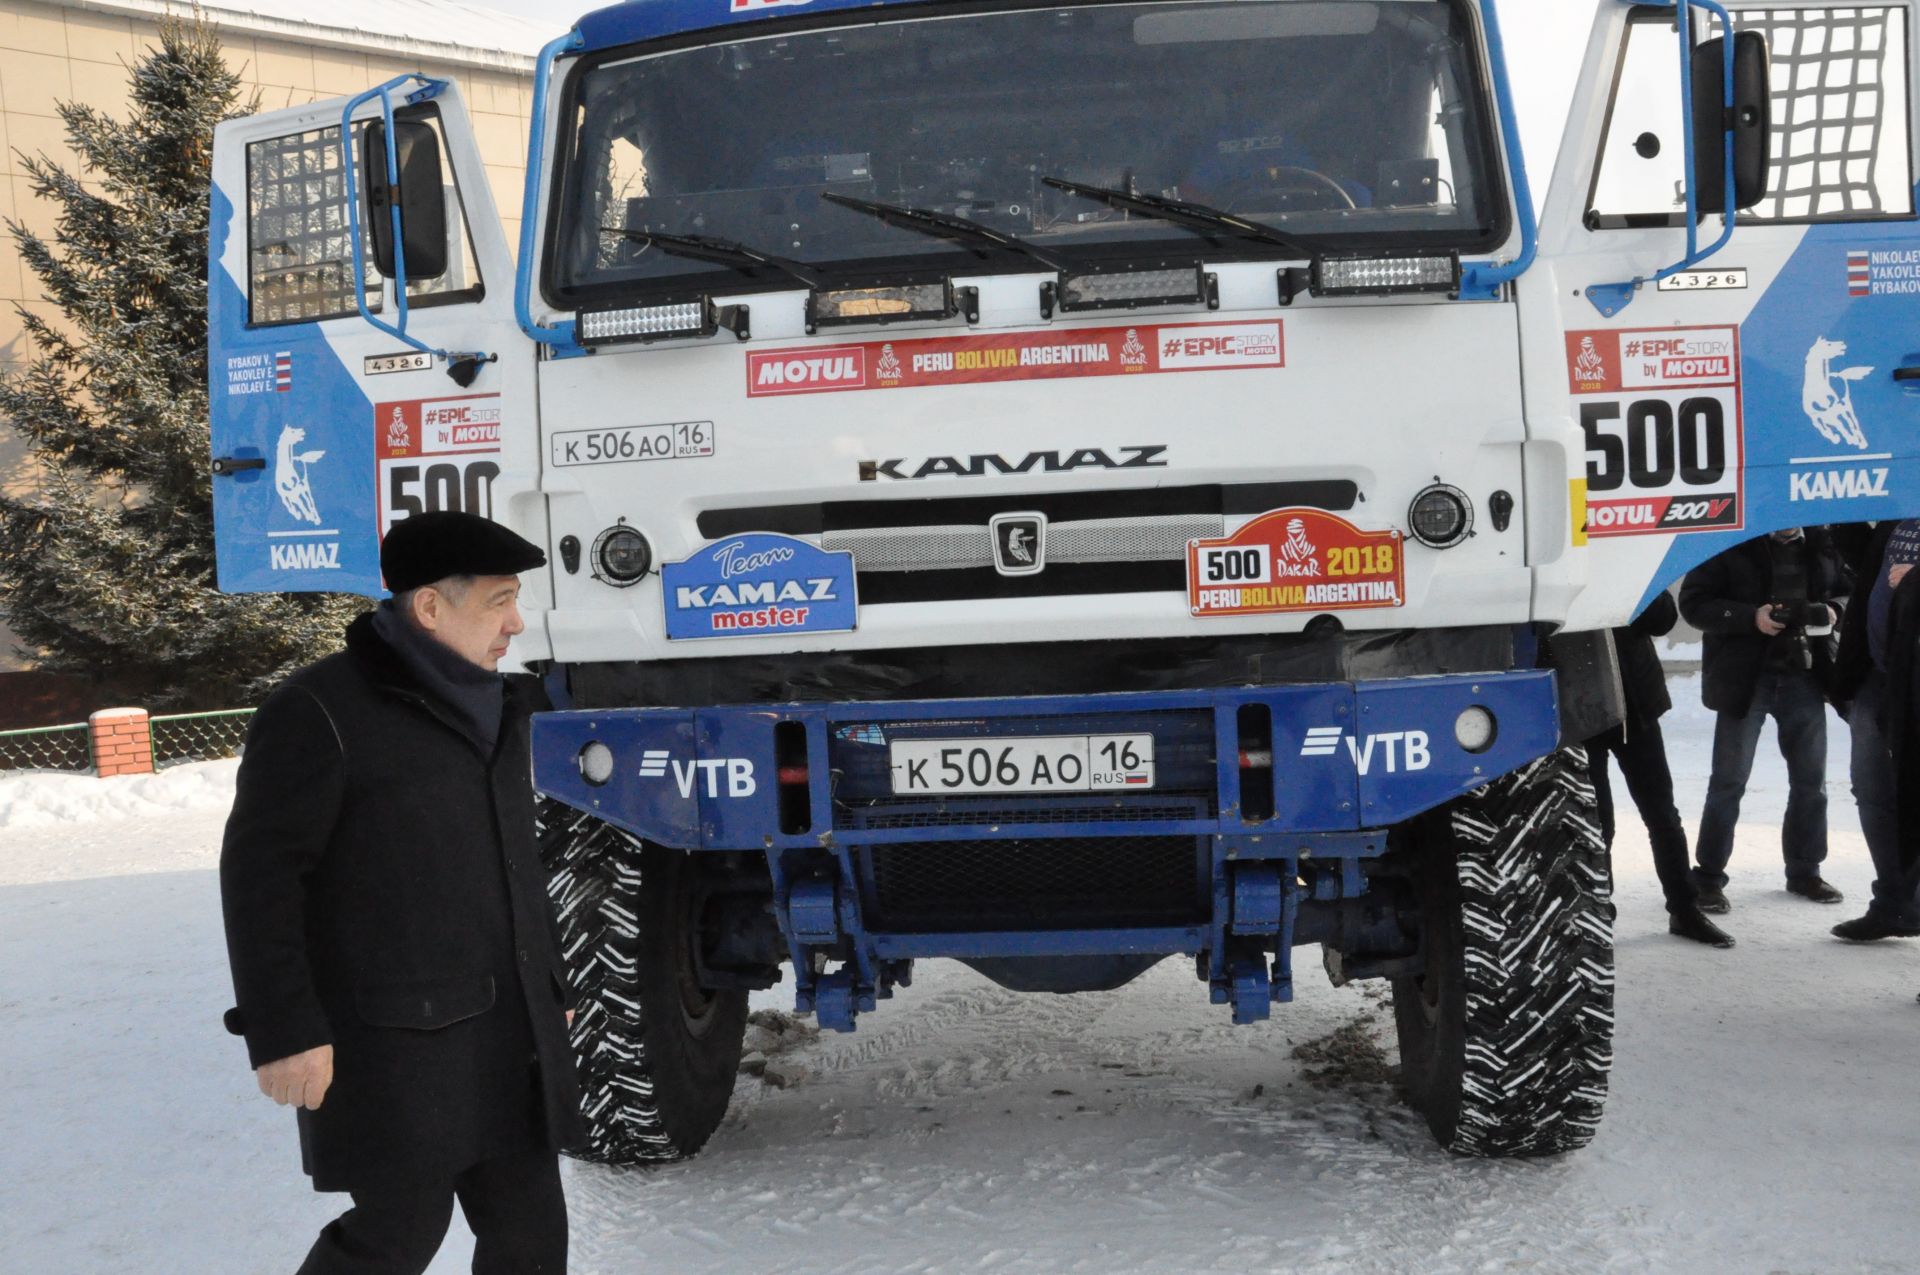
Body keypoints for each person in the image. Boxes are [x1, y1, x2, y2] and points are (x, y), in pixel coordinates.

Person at [219, 511, 582, 1275]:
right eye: (498, 601)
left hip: (508, 1023)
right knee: (400, 1228)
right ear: (428, 607)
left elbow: (517, 859)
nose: (516, 622)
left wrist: (553, 981)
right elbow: (261, 879)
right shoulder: (320, 711)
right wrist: (284, 1029)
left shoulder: (503, 706)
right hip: (392, 1036)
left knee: (532, 1232)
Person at [1679, 526, 1850, 911]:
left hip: (1804, 675)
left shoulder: (1825, 542)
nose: (1788, 522)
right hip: (1744, 680)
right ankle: (1707, 877)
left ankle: (1805, 871)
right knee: (1728, 781)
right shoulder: (1727, 541)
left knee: (1811, 782)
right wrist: (1749, 617)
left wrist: (1835, 610)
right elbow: (1693, 604)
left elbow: (1856, 591)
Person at [1585, 590, 1734, 947]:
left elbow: (1663, 619)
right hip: (1580, 710)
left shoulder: (1627, 559)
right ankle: (1596, 912)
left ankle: (1684, 909)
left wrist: (1635, 585)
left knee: (1662, 815)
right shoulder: (1561, 562)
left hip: (1636, 706)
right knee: (1595, 821)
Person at [1828, 520, 1920, 941]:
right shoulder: (1897, 507)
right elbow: (1862, 562)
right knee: (1872, 792)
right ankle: (1892, 902)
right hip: (1877, 676)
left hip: (1914, 683)